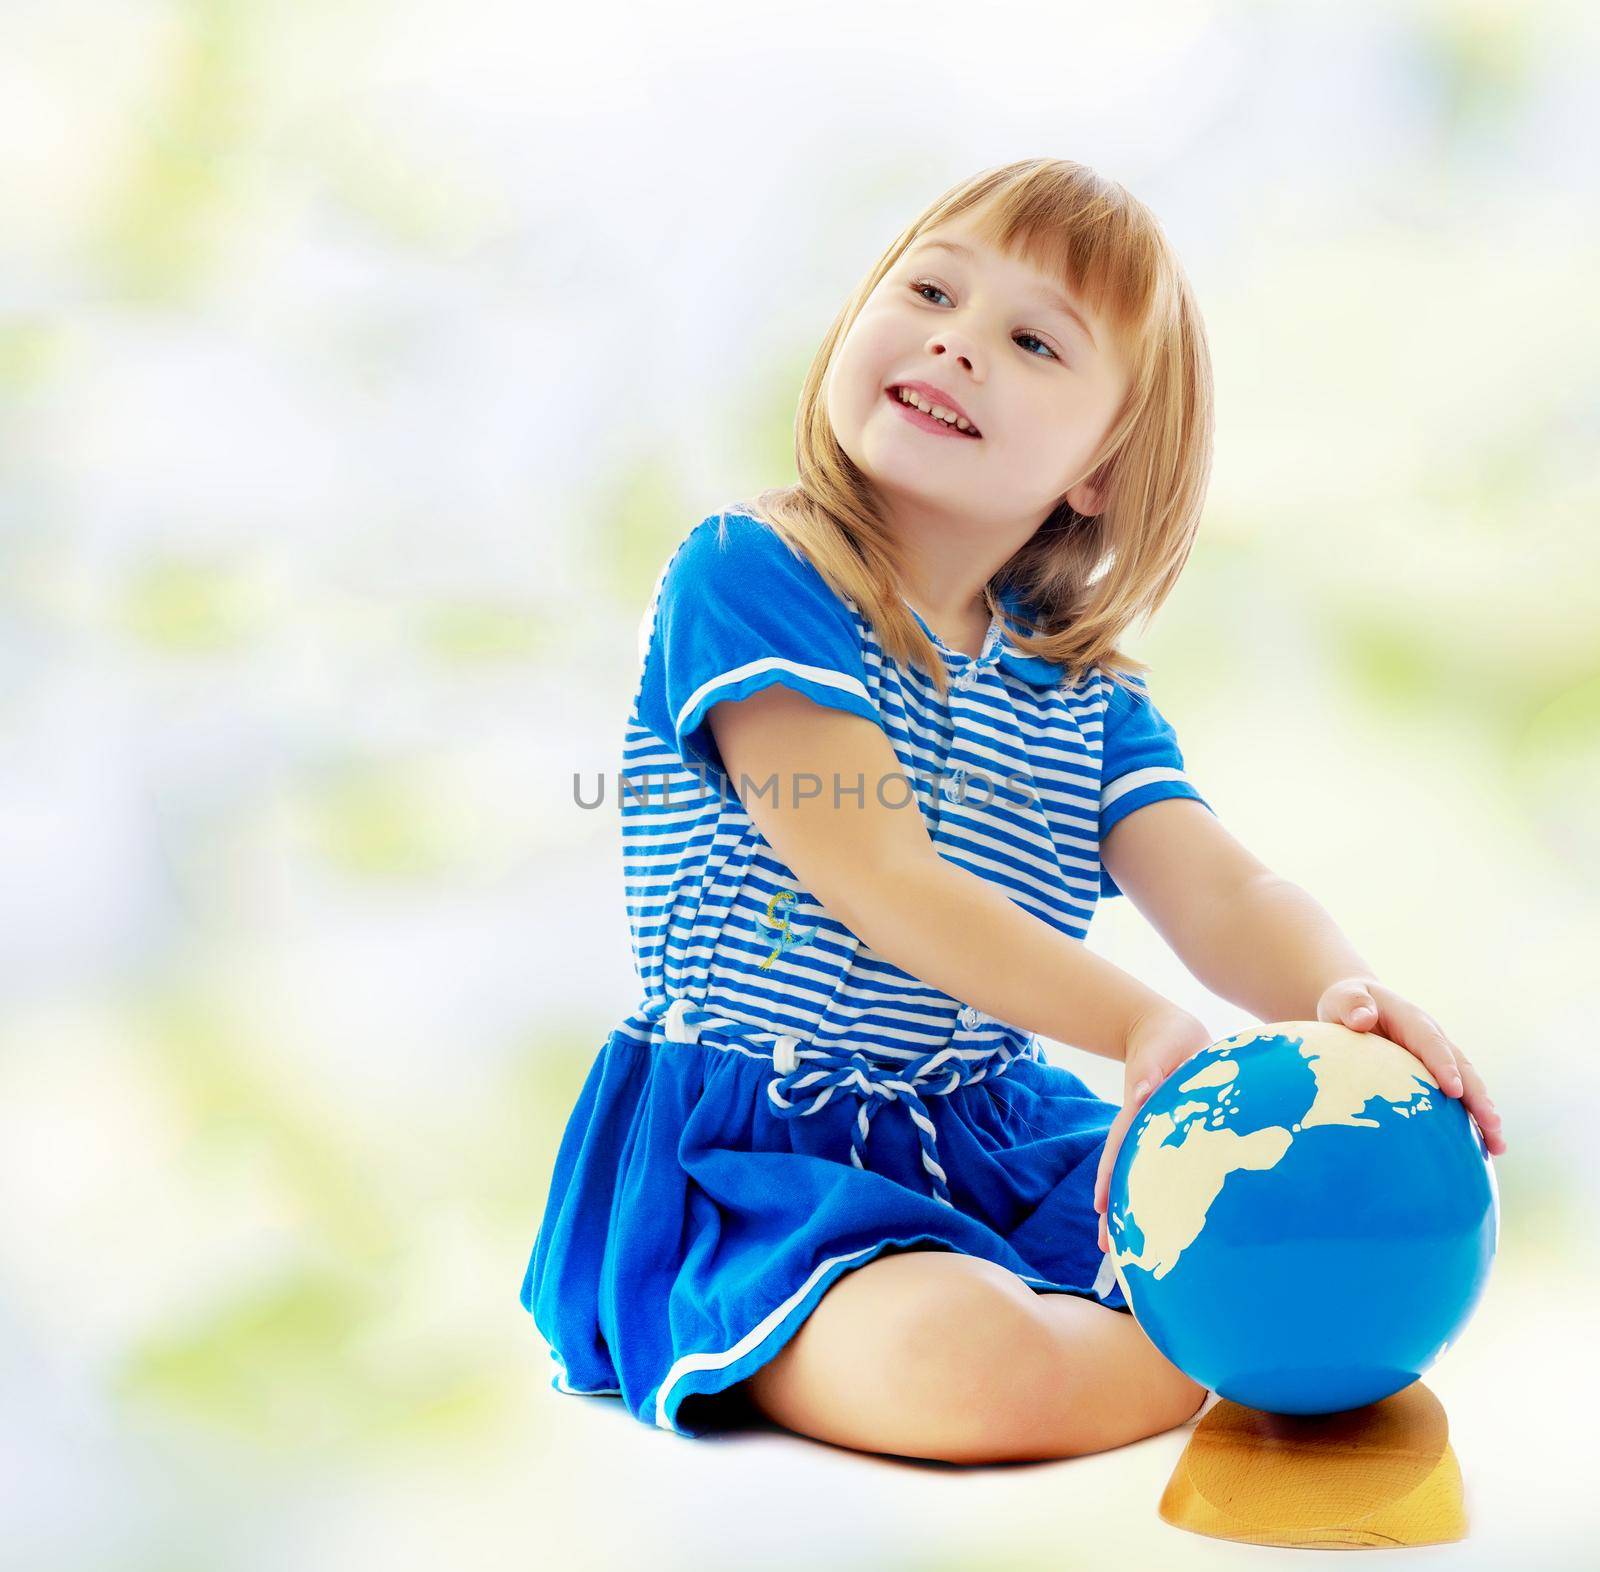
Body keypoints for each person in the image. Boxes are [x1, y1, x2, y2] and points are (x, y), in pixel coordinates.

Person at [520, 157, 1505, 1464]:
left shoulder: (1074, 687)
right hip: (759, 1158)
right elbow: (883, 878)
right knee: (970, 1367)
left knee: (1250, 1228)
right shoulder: (752, 575)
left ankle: (1179, 1338)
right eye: (930, 289)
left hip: (992, 1135)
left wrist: (1347, 1003)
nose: (956, 341)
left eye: (1032, 340)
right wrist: (1139, 1020)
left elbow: (1223, 890)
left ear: (1099, 471)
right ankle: (1185, 1349)